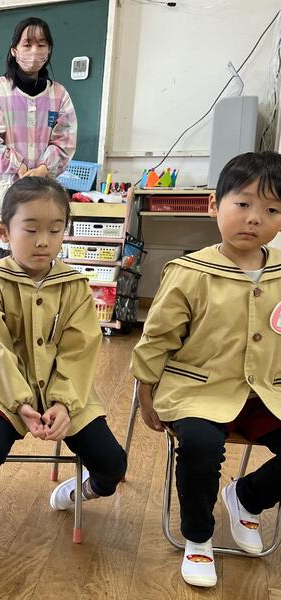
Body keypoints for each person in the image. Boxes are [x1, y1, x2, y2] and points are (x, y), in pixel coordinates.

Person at [132, 151, 281, 588]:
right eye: (243, 204)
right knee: (199, 445)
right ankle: (198, 536)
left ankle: (246, 497)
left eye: (272, 210)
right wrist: (145, 392)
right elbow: (156, 338)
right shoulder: (189, 271)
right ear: (215, 204)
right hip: (198, 391)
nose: (254, 218)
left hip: (265, 392)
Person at [0, 176, 126, 523]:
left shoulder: (74, 286)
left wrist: (64, 402)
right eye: (31, 229)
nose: (44, 241)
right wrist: (20, 403)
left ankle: (79, 492)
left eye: (55, 230)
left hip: (61, 382)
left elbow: (79, 350)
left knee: (113, 463)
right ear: (3, 231)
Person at [0, 16, 77, 256]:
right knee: (0, 264)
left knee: (37, 255)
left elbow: (65, 141)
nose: (34, 51)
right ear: (14, 50)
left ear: (49, 50)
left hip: (41, 193)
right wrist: (19, 167)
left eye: (41, 44)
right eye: (27, 44)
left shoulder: (59, 95)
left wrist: (43, 169)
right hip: (1, 194)